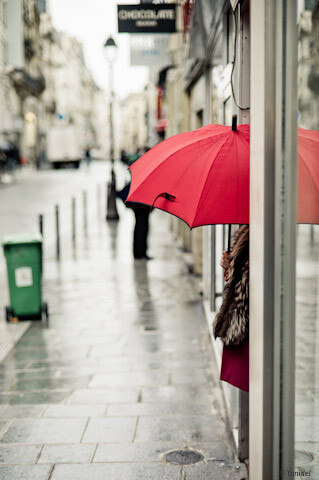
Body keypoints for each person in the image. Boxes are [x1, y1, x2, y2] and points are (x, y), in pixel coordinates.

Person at [213, 225, 249, 392]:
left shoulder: (265, 232)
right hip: (245, 312)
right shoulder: (245, 232)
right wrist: (229, 264)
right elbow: (237, 277)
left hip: (253, 315)